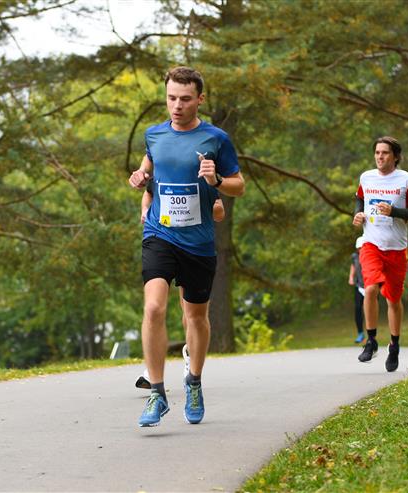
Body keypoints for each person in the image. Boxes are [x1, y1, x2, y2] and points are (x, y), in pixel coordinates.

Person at [128, 66, 245, 426]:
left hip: (198, 242)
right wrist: (140, 178)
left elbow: (239, 185)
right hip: (160, 234)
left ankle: (193, 380)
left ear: (200, 99)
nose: (177, 106)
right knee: (153, 308)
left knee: (195, 317)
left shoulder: (216, 139)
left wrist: (217, 180)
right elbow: (149, 169)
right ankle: (157, 394)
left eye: (185, 99)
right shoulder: (154, 134)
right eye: (171, 98)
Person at [135, 182, 225, 390]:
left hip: (192, 244)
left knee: (189, 311)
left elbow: (219, 211)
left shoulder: (200, 175)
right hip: (162, 239)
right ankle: (153, 370)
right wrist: (145, 210)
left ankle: (191, 362)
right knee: (154, 307)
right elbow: (148, 194)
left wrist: (197, 208)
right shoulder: (162, 170)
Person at [352, 136, 408, 372]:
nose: (380, 157)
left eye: (384, 153)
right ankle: (371, 340)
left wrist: (394, 211)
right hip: (371, 243)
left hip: (396, 248)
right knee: (370, 289)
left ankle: (394, 345)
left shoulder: (406, 180)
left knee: (393, 299)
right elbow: (360, 198)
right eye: (377, 152)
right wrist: (358, 214)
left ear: (395, 156)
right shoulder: (366, 177)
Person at [348, 236, 366, 344]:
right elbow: (353, 266)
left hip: (370, 286)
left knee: (370, 310)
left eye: (361, 248)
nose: (360, 250)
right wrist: (351, 277)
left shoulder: (371, 256)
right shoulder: (355, 256)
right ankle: (360, 333)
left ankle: (371, 334)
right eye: (358, 248)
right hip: (359, 286)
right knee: (358, 309)